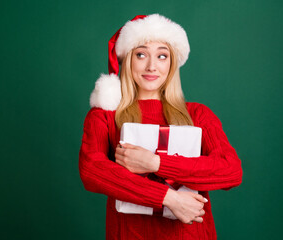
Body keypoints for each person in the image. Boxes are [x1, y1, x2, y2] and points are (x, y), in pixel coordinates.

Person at [79, 14, 243, 240]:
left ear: (172, 62)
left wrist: (155, 163)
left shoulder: (198, 114)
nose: (151, 66)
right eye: (141, 54)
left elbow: (230, 171)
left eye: (162, 56)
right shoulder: (104, 116)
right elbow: (92, 170)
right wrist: (168, 197)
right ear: (127, 59)